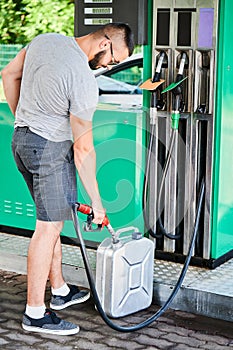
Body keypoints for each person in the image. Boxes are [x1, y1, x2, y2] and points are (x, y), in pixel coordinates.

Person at [1, 22, 134, 336]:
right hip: (49, 149)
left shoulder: (45, 40)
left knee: (53, 219)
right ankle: (34, 312)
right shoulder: (83, 80)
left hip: (21, 141)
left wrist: (25, 118)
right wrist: (98, 204)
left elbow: (8, 74)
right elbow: (84, 147)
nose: (109, 66)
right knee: (47, 229)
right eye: (113, 60)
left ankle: (59, 290)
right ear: (105, 42)